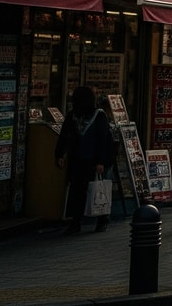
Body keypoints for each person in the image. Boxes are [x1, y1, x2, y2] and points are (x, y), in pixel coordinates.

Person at [55, 86, 114, 234]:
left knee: (93, 189)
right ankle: (77, 222)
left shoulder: (97, 116)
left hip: (89, 159)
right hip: (79, 159)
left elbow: (103, 139)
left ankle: (100, 219)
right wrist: (60, 154)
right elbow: (64, 136)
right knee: (79, 190)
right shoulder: (74, 116)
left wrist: (101, 161)